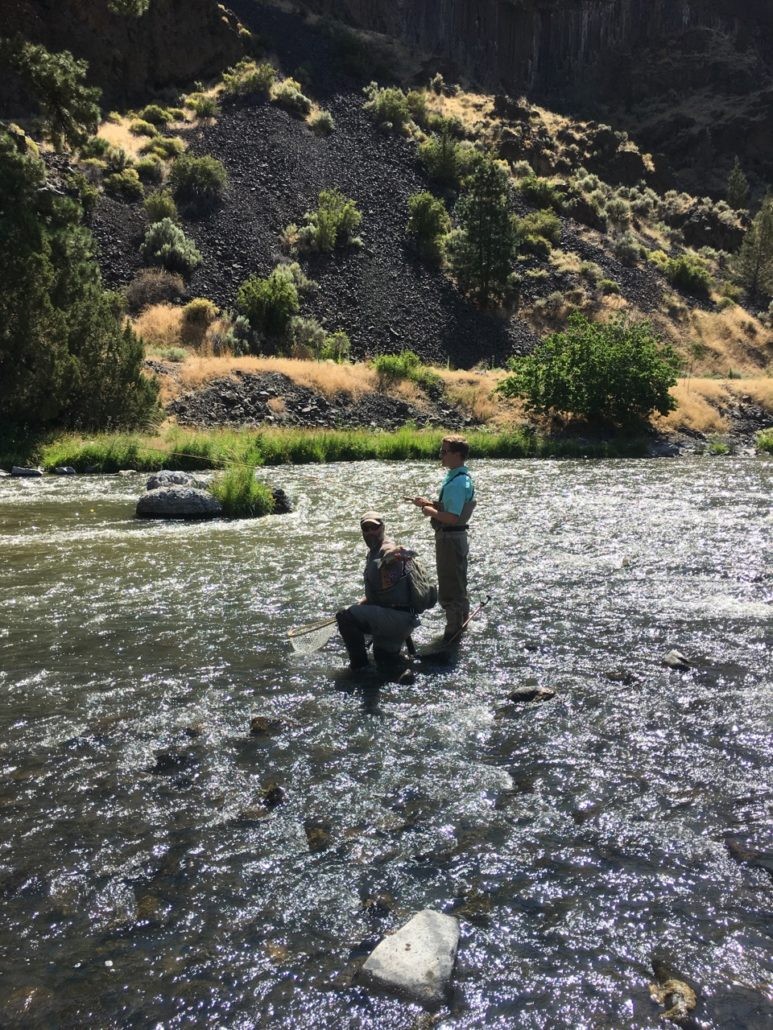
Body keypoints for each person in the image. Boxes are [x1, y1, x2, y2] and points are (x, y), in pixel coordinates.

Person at [408, 435, 476, 641]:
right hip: (455, 539)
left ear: (458, 455)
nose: (441, 455)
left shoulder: (456, 483)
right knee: (457, 582)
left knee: (449, 585)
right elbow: (452, 508)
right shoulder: (460, 478)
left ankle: (452, 632)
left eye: (445, 451)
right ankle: (461, 623)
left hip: (450, 539)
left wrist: (430, 511)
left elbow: (452, 517)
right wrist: (427, 503)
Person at [335, 512, 419, 669]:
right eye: (365, 529)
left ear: (383, 527)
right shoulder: (372, 552)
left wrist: (394, 554)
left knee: (344, 616)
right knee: (383, 659)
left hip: (395, 619)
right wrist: (365, 601)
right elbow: (385, 588)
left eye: (374, 527)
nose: (370, 532)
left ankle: (359, 668)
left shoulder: (385, 548)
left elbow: (391, 552)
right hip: (402, 619)